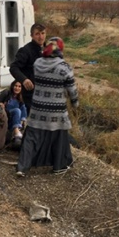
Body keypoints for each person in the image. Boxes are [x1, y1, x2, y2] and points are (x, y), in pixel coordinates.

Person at [16, 36, 79, 177]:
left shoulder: (38, 63)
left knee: (31, 138)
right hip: (57, 111)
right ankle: (59, 166)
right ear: (60, 49)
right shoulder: (65, 67)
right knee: (59, 138)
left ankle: (22, 167)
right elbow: (72, 90)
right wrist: (75, 104)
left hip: (38, 108)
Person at [9, 23, 47, 112]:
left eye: (43, 33)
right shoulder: (26, 50)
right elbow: (13, 67)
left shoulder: (48, 49)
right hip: (31, 96)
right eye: (37, 34)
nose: (41, 37)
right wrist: (24, 79)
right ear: (32, 36)